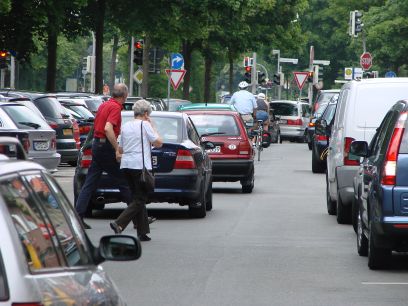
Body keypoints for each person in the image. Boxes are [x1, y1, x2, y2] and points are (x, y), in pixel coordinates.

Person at [75, 83, 133, 229]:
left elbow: (98, 126)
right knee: (124, 182)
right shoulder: (115, 107)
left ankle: (78, 217)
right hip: (106, 146)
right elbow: (108, 128)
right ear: (124, 96)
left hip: (97, 145)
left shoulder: (104, 105)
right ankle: (138, 217)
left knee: (89, 183)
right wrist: (116, 149)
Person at [109, 100, 162, 241]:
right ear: (145, 114)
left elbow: (120, 149)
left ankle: (142, 232)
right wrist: (153, 126)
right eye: (148, 114)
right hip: (140, 166)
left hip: (126, 165)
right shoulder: (145, 125)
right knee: (140, 199)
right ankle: (119, 223)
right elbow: (158, 142)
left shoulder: (126, 126)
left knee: (136, 197)